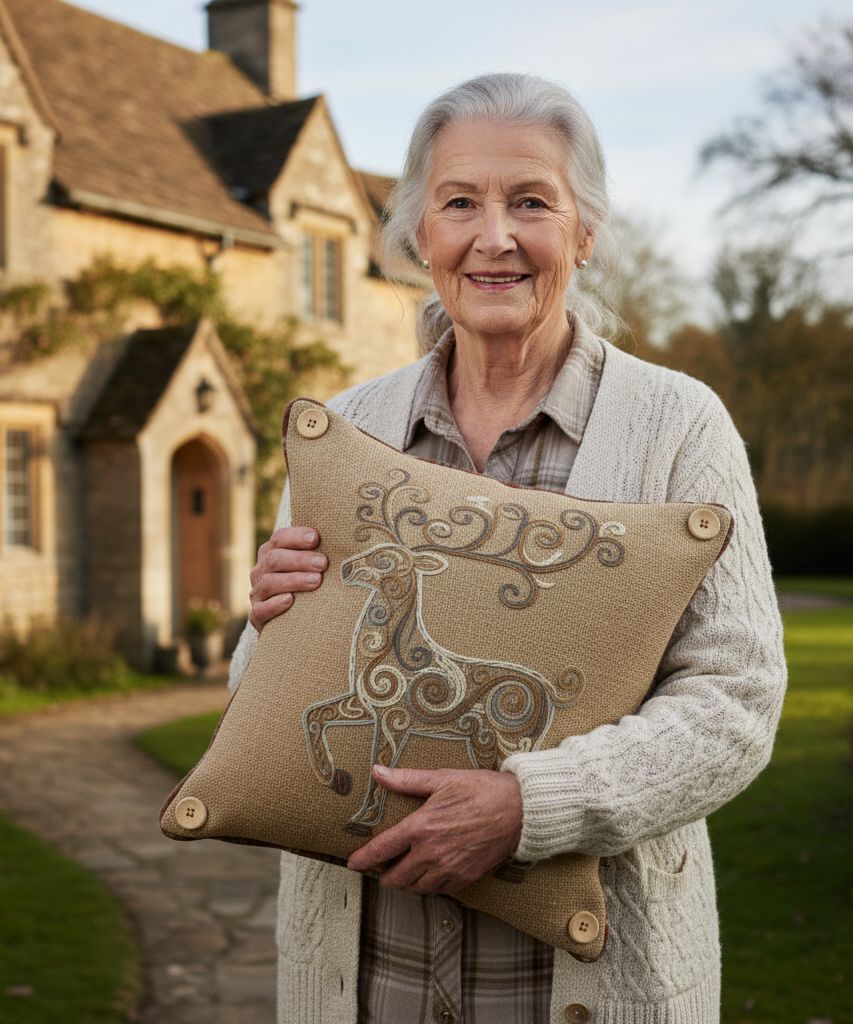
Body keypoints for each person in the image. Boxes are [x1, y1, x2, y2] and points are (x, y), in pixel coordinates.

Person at [229, 73, 786, 1024]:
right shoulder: (349, 430)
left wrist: (531, 809)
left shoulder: (677, 426)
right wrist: (269, 622)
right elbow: (265, 700)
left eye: (530, 201)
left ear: (584, 232)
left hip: (590, 985)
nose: (495, 237)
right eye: (459, 203)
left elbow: (738, 698)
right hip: (367, 986)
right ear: (418, 236)